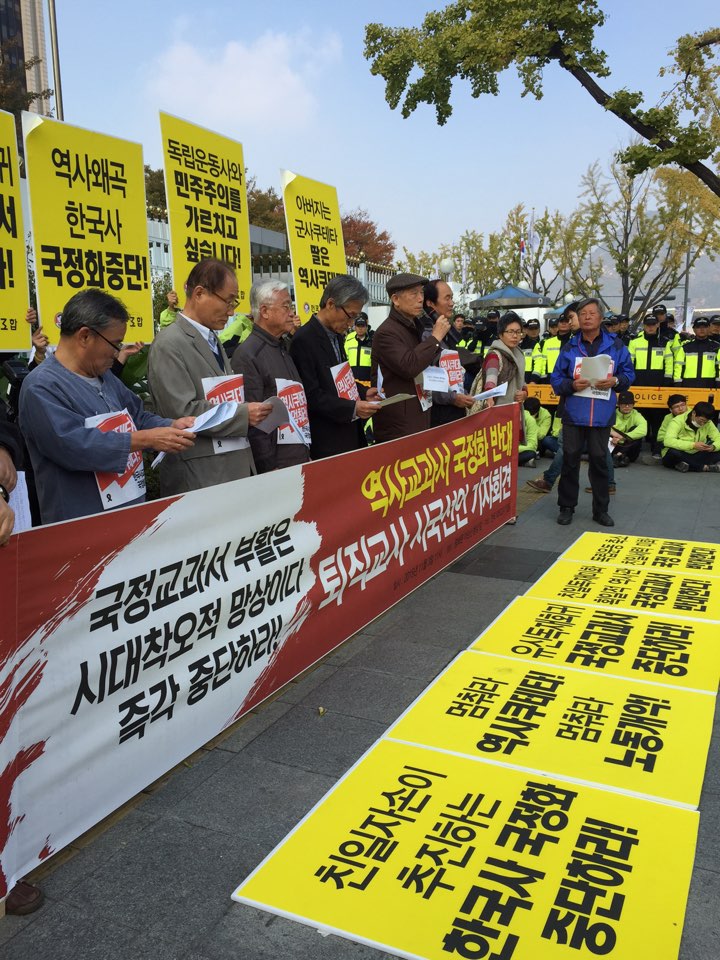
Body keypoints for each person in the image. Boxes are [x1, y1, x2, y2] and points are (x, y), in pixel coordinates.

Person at [19, 290, 196, 524]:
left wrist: (172, 425)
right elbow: (73, 445)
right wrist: (145, 440)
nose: (117, 352)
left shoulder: (105, 376)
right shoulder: (41, 387)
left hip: (129, 515)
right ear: (84, 336)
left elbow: (137, 416)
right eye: (114, 343)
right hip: (83, 527)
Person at [148, 258, 272, 495]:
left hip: (231, 470)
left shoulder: (213, 339)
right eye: (228, 301)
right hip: (201, 478)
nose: (232, 311)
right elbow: (182, 412)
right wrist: (244, 414)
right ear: (199, 293)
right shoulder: (169, 344)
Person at [550, 297, 635, 527]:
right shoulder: (569, 346)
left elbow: (629, 374)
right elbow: (556, 379)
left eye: (592, 313)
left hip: (601, 413)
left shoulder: (616, 346)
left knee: (599, 460)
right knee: (569, 460)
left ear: (600, 317)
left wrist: (616, 380)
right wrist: (570, 385)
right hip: (573, 413)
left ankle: (601, 509)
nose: (587, 317)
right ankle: (566, 506)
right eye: (583, 313)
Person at [289, 274, 379, 458]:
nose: (351, 323)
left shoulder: (338, 336)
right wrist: (353, 409)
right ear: (330, 304)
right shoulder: (304, 340)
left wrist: (363, 392)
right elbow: (311, 395)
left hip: (348, 434)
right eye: (351, 315)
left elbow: (340, 380)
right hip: (326, 440)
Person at [230, 280, 310, 473]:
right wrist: (268, 468)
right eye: (286, 306)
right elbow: (254, 421)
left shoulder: (282, 347)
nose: (292, 312)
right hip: (277, 468)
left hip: (298, 458)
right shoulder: (249, 355)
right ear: (264, 311)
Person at [371, 273, 450, 442]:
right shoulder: (387, 332)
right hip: (398, 423)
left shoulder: (415, 325)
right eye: (414, 294)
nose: (420, 298)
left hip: (419, 413)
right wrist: (435, 338)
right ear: (396, 299)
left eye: (421, 293)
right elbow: (409, 366)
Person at [422, 279, 475, 426]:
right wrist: (452, 398)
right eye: (447, 298)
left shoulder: (449, 333)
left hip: (455, 411)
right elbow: (423, 381)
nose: (452, 303)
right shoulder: (426, 335)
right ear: (430, 303)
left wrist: (463, 394)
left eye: (452, 297)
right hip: (437, 416)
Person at [467, 312, 527, 413]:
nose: (515, 336)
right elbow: (491, 379)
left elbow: (522, 382)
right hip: (498, 414)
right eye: (510, 332)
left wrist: (525, 393)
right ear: (500, 334)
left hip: (515, 412)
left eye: (518, 332)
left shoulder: (519, 355)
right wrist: (489, 397)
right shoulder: (494, 356)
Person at [662, 401, 720, 472]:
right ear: (694, 413)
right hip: (681, 453)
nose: (703, 424)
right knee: (673, 453)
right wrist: (693, 445)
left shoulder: (708, 423)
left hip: (696, 453)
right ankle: (704, 467)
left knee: (717, 451)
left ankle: (684, 465)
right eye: (701, 420)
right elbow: (668, 441)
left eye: (706, 422)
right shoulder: (677, 421)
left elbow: (718, 437)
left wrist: (713, 447)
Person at [673, 316, 720, 388]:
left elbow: (718, 367)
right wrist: (677, 382)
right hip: (688, 385)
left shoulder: (716, 347)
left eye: (704, 327)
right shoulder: (685, 347)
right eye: (698, 327)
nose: (702, 329)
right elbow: (678, 366)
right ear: (694, 329)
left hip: (710, 386)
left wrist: (718, 382)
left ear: (709, 328)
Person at [611, 391, 648, 467]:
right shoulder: (612, 414)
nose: (627, 406)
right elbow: (602, 427)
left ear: (633, 405)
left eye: (630, 404)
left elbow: (643, 430)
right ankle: (620, 458)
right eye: (624, 404)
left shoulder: (636, 414)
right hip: (614, 444)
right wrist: (612, 436)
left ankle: (620, 456)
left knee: (635, 430)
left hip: (629, 449)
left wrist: (623, 437)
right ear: (619, 405)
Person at [344, 313, 373, 381]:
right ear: (355, 327)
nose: (360, 328)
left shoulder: (372, 340)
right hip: (351, 379)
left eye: (362, 326)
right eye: (358, 326)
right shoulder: (349, 339)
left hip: (368, 379)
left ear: (366, 327)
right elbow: (345, 358)